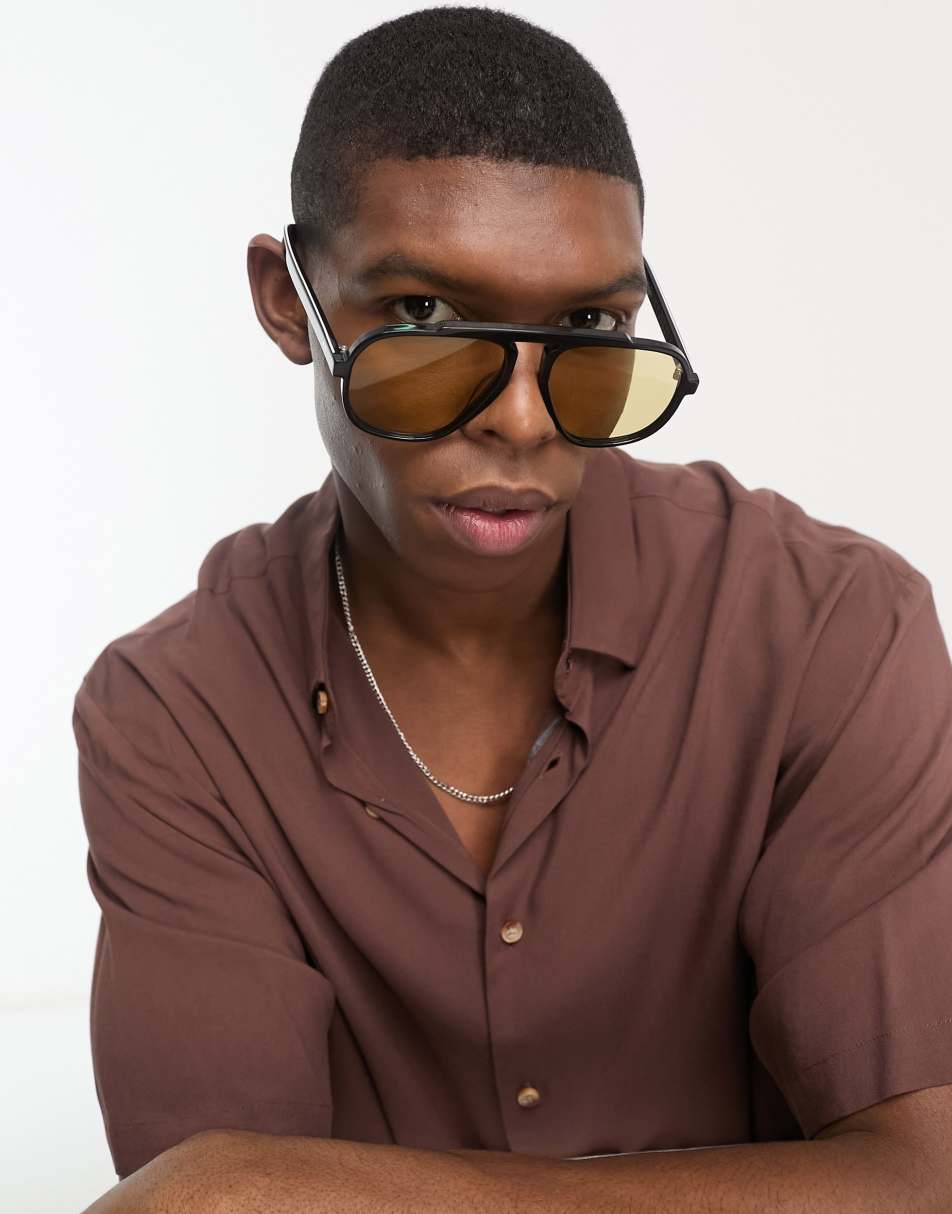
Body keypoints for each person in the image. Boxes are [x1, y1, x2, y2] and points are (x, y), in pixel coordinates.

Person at [74, 7, 952, 1212]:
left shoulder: (830, 629)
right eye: (426, 317)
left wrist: (274, 1182)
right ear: (290, 302)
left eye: (588, 327)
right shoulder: (175, 712)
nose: (525, 420)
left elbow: (925, 1171)